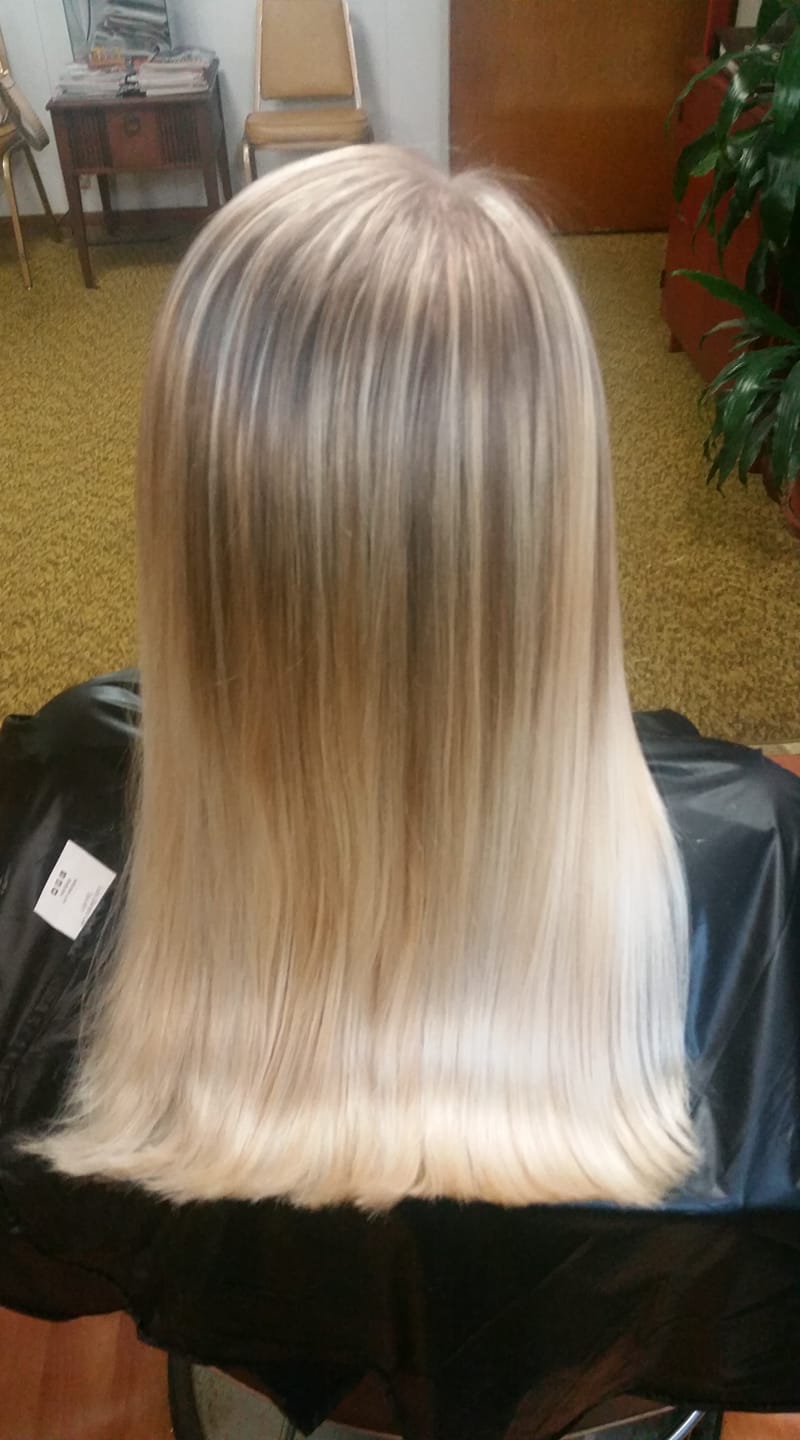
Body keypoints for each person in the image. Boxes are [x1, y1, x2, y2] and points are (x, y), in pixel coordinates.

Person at [1, 147, 799, 1440]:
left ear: (195, 519)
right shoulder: (754, 852)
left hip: (264, 1379)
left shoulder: (73, 790)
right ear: (560, 506)